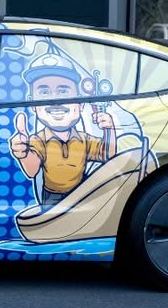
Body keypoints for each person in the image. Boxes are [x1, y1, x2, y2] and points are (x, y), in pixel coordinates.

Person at [8, 54, 116, 207]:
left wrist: (109, 130)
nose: (55, 101)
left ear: (80, 103)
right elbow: (32, 170)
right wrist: (23, 153)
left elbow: (107, 154)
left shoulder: (85, 139)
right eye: (44, 92)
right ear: (33, 104)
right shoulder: (38, 140)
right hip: (51, 199)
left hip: (81, 196)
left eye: (63, 91)